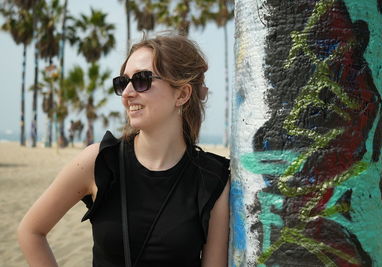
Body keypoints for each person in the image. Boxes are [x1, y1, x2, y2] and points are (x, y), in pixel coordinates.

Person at [17, 34, 230, 267]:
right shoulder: (100, 161)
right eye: (122, 82)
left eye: (142, 80)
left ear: (182, 94)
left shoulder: (212, 179)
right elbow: (31, 231)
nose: (127, 93)